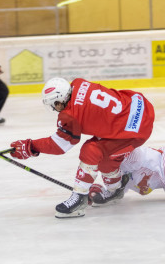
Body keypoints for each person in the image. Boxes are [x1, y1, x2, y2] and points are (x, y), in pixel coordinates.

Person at [10, 77, 155, 218]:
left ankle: (79, 197)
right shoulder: (78, 83)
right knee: (106, 161)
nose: (55, 109)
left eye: (54, 104)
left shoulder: (70, 115)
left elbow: (59, 145)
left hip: (134, 129)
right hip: (138, 105)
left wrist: (30, 146)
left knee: (91, 151)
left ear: (60, 100)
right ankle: (116, 189)